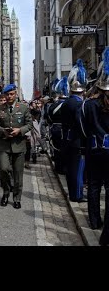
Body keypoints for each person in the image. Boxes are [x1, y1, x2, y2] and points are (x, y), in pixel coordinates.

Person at [80, 48, 109, 245]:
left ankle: (94, 221)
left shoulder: (89, 105)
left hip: (94, 151)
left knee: (94, 187)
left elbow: (83, 128)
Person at [0, 83, 33, 209]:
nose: (9, 97)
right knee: (3, 169)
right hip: (3, 144)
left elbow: (29, 124)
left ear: (15, 94)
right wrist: (3, 131)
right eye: (7, 94)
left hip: (18, 145)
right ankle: (6, 192)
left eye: (12, 94)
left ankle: (17, 197)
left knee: (18, 173)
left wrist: (20, 130)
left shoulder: (24, 108)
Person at [61, 59, 87, 202]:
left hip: (67, 139)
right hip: (77, 141)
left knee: (71, 169)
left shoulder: (66, 103)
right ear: (82, 91)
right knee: (77, 170)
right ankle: (77, 195)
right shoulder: (79, 104)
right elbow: (81, 123)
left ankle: (73, 193)